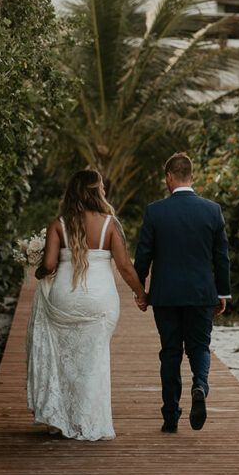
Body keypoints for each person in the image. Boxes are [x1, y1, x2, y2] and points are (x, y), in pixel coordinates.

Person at [25, 168, 147, 440]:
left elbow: (48, 265)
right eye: (101, 187)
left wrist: (38, 272)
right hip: (100, 301)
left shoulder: (59, 224)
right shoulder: (110, 224)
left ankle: (60, 418)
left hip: (64, 299)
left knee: (65, 359)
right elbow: (126, 267)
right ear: (96, 191)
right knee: (93, 360)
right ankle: (85, 421)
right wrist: (140, 292)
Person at [134, 152, 231, 434]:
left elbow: (144, 255)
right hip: (202, 294)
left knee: (171, 353)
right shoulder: (212, 210)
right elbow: (221, 257)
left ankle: (170, 417)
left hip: (165, 296)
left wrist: (140, 290)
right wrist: (222, 293)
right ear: (192, 176)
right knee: (199, 347)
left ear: (169, 177)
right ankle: (200, 385)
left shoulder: (155, 211)